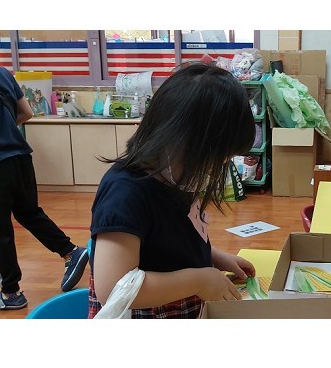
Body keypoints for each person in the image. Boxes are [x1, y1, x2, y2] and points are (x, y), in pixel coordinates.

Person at [89, 63, 256, 319]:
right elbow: (113, 289)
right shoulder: (125, 194)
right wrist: (199, 280)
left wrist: (214, 257)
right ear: (184, 142)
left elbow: (168, 244)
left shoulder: (178, 176)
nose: (220, 166)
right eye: (218, 157)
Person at [0, 30, 89, 311]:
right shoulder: (1, 73)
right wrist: (0, 130)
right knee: (29, 213)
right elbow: (26, 112)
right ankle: (71, 252)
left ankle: (10, 293)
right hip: (20, 157)